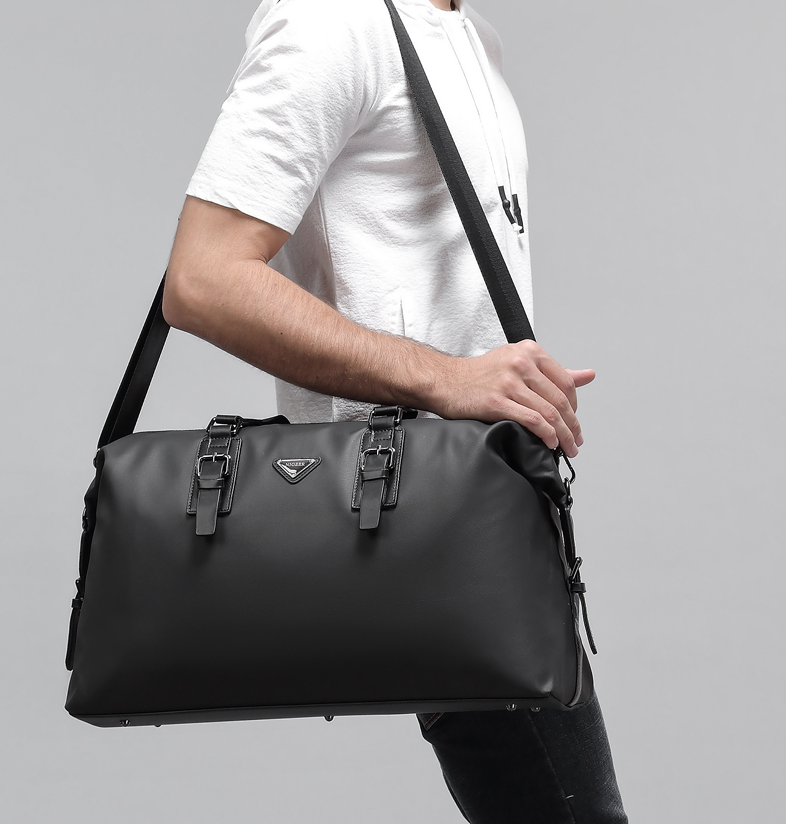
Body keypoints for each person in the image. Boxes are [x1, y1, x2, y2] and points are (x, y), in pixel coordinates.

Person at [163, 0, 628, 820]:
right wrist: (446, 380)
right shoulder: (331, 23)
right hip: (428, 517)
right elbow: (202, 279)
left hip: (489, 504)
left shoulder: (469, 32)